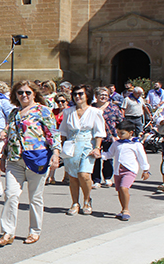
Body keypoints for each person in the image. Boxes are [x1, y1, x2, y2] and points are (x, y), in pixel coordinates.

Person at [0, 81, 60, 246]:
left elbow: (52, 133)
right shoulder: (14, 113)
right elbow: (11, 136)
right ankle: (8, 232)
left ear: (34, 94)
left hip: (37, 158)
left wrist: (56, 153)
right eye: (20, 92)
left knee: (35, 197)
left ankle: (34, 230)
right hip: (15, 160)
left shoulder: (42, 111)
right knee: (10, 194)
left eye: (27, 92)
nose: (24, 95)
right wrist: (3, 156)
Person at [60, 84, 106, 216]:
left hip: (87, 144)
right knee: (73, 176)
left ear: (87, 95)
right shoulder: (68, 112)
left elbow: (99, 132)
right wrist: (61, 149)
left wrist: (97, 148)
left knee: (84, 175)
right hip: (72, 145)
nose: (77, 96)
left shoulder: (95, 112)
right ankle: (75, 202)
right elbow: (63, 131)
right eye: (75, 94)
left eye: (80, 94)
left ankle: (87, 200)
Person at [105, 119, 151, 221]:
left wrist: (145, 170)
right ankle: (122, 209)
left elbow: (142, 158)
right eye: (118, 133)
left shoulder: (136, 144)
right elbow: (109, 154)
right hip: (118, 171)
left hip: (130, 170)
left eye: (122, 133)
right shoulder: (116, 144)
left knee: (124, 188)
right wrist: (101, 155)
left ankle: (126, 209)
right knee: (120, 191)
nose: (120, 135)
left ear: (130, 133)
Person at [91, 87, 124, 189]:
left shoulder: (113, 108)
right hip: (95, 137)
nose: (103, 97)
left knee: (108, 158)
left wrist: (119, 134)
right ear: (96, 96)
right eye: (101, 95)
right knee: (96, 158)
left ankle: (108, 178)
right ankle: (96, 180)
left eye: (105, 95)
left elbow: (120, 121)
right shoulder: (91, 108)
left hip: (109, 137)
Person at [46, 93, 71, 185]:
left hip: (67, 136)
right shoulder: (54, 111)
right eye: (58, 101)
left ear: (67, 101)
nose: (60, 103)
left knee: (66, 156)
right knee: (54, 156)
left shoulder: (70, 111)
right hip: (55, 136)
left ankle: (67, 177)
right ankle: (51, 176)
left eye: (62, 101)